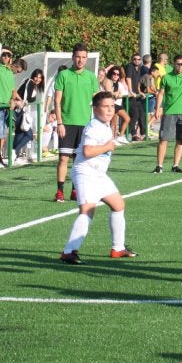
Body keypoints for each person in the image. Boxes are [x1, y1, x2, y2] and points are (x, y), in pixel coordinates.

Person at [59, 91, 139, 265]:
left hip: (98, 174)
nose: (110, 110)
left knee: (118, 205)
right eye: (105, 107)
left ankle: (117, 248)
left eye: (112, 106)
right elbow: (87, 151)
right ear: (95, 109)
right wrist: (108, 146)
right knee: (87, 210)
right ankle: (69, 251)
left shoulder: (104, 125)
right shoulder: (94, 126)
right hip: (86, 172)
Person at [53, 45, 100, 201]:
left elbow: (97, 101)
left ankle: (75, 190)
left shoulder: (91, 77)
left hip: (85, 124)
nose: (81, 60)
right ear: (73, 57)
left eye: (84, 57)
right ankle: (60, 191)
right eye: (78, 56)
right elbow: (57, 101)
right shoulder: (64, 75)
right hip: (67, 123)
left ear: (87, 58)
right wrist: (59, 123)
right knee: (63, 158)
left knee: (79, 160)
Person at [13, 68, 45, 163]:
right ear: (33, 76)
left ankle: (15, 156)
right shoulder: (30, 83)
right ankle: (14, 151)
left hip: (21, 110)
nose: (37, 79)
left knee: (19, 133)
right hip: (20, 110)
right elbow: (27, 98)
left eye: (40, 78)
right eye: (36, 77)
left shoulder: (32, 84)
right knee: (29, 135)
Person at [101, 65, 132, 143]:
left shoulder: (118, 83)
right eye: (114, 73)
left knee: (127, 118)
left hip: (116, 104)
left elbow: (124, 92)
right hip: (109, 104)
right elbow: (109, 93)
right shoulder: (108, 81)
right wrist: (117, 93)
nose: (115, 75)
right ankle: (112, 139)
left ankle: (120, 136)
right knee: (113, 123)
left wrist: (118, 94)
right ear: (111, 74)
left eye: (117, 74)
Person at [124, 53, 149, 142]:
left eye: (139, 59)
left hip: (136, 96)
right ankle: (133, 134)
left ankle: (143, 134)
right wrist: (131, 91)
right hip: (130, 96)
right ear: (132, 59)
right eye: (135, 59)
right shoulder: (130, 66)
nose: (137, 61)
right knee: (134, 115)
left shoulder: (139, 68)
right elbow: (128, 79)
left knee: (142, 114)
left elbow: (138, 82)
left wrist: (139, 92)